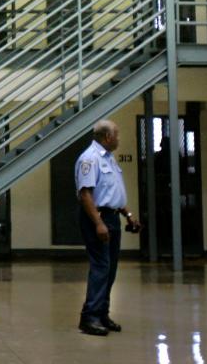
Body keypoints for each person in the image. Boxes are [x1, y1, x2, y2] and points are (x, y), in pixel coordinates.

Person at [75, 119, 141, 336]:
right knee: (101, 267)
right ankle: (89, 318)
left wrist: (128, 215)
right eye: (117, 135)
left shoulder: (108, 159)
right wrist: (99, 223)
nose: (119, 139)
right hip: (97, 218)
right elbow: (85, 195)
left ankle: (102, 314)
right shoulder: (90, 159)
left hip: (112, 217)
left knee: (110, 269)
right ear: (107, 137)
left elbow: (113, 194)